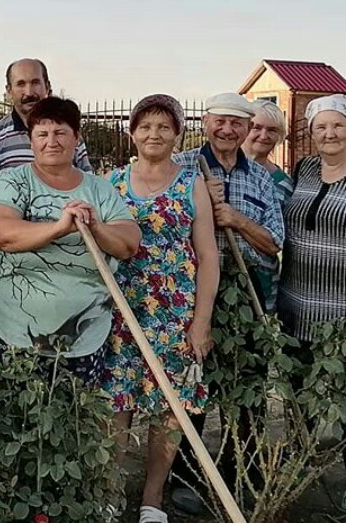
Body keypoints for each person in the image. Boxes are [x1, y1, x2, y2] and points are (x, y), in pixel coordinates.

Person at [102, 95, 220, 523]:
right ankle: (110, 490)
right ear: (132, 132)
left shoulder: (192, 184)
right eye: (145, 126)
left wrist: (200, 321)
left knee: (169, 407)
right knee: (116, 403)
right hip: (120, 311)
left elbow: (208, 255)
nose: (154, 134)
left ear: (176, 134)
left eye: (164, 127)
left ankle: (152, 498)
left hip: (174, 312)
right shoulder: (111, 182)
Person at [169, 92, 284, 513]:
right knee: (194, 385)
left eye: (238, 124)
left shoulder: (260, 178)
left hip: (245, 289)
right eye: (220, 121)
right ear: (205, 122)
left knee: (248, 388)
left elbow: (273, 244)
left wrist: (235, 217)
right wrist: (198, 199)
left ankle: (243, 472)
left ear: (246, 129)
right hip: (193, 289)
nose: (228, 130)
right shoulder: (182, 168)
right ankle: (189, 478)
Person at [0, 96, 140, 387]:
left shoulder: (99, 189)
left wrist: (94, 227)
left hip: (85, 340)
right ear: (30, 140)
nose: (51, 141)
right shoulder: (12, 180)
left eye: (60, 133)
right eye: (42, 134)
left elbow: (128, 244)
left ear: (76, 138)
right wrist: (59, 227)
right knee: (14, 423)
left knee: (75, 425)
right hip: (14, 333)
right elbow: (0, 234)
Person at [278, 94, 346, 343]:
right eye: (321, 127)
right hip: (294, 308)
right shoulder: (304, 168)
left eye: (338, 125)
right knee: (296, 379)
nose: (330, 133)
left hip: (339, 316)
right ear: (312, 133)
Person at [0, 58, 92, 172]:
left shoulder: (69, 135)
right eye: (21, 84)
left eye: (35, 83)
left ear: (47, 86)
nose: (29, 92)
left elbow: (88, 184)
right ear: (9, 90)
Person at [242, 99, 293, 311]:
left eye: (272, 130)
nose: (263, 135)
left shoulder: (284, 184)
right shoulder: (217, 171)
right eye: (256, 127)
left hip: (264, 281)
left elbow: (280, 238)